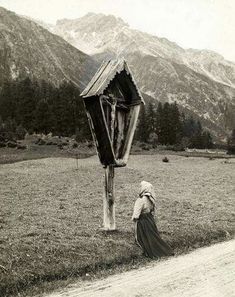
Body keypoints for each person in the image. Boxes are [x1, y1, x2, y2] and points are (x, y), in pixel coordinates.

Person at [132, 181, 174, 258]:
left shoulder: (140, 200)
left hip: (143, 221)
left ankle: (147, 252)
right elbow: (152, 210)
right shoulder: (151, 199)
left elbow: (136, 215)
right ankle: (162, 250)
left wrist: (135, 220)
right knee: (153, 237)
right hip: (150, 220)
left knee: (143, 237)